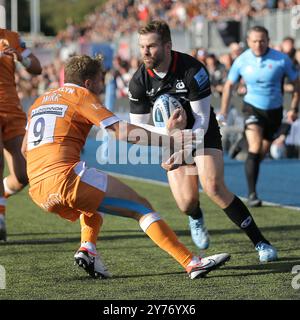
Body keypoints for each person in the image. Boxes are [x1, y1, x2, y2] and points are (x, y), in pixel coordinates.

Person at [21, 54, 230, 280]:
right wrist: (173, 139)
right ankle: (192, 263)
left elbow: (25, 149)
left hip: (37, 189)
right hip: (65, 178)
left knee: (91, 204)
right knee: (141, 207)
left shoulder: (39, 101)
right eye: (100, 80)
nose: (101, 87)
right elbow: (122, 132)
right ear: (89, 82)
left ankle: (88, 249)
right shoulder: (81, 95)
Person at [128, 20, 278, 262]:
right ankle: (195, 216)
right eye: (142, 46)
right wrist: (169, 140)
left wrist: (184, 144)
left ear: (168, 46)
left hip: (201, 131)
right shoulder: (139, 81)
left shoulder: (192, 70)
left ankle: (260, 242)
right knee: (187, 203)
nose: (145, 52)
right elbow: (138, 129)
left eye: (152, 46)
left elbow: (201, 120)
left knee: (214, 187)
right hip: (171, 137)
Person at [220, 26, 300, 207]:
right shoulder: (241, 60)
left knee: (261, 152)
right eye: (254, 41)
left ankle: (241, 142)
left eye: (262, 40)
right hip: (252, 108)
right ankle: (252, 194)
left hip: (274, 111)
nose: (258, 44)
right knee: (255, 149)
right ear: (248, 42)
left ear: (268, 40)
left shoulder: (281, 59)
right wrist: (224, 111)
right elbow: (229, 85)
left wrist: (294, 108)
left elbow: (297, 84)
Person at [0, 28, 42, 241]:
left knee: (23, 175)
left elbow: (37, 67)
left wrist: (20, 58)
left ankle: (2, 194)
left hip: (12, 109)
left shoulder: (11, 37)